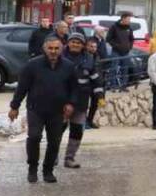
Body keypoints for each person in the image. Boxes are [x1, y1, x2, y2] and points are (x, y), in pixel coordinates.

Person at [8, 34, 77, 183]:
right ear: (44, 49)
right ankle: (32, 168)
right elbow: (22, 87)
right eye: (50, 48)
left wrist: (71, 103)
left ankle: (48, 171)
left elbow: (74, 89)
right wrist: (14, 106)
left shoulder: (69, 66)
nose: (53, 51)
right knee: (34, 137)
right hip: (36, 109)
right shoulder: (32, 65)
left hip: (57, 111)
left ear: (61, 49)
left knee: (54, 141)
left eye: (56, 48)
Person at [60, 33, 103, 169]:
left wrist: (100, 96)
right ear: (68, 43)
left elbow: (96, 79)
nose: (75, 44)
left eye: (78, 43)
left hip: (81, 102)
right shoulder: (59, 57)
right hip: (62, 101)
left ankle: (69, 158)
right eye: (73, 42)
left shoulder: (89, 59)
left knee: (77, 131)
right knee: (57, 130)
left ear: (83, 45)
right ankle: (52, 157)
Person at [105, 12, 135, 90]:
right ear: (123, 19)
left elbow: (132, 39)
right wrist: (116, 46)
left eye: (129, 19)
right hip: (116, 52)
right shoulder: (114, 27)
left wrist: (130, 46)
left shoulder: (129, 28)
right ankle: (113, 86)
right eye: (128, 19)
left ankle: (124, 86)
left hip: (126, 52)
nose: (129, 21)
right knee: (113, 69)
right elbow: (108, 39)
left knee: (125, 69)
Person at [84, 36, 108, 129]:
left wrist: (101, 82)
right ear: (87, 46)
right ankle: (84, 122)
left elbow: (99, 70)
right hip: (86, 84)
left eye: (95, 47)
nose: (93, 48)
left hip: (96, 84)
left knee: (94, 104)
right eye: (91, 46)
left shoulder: (97, 56)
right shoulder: (85, 56)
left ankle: (90, 121)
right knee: (85, 105)